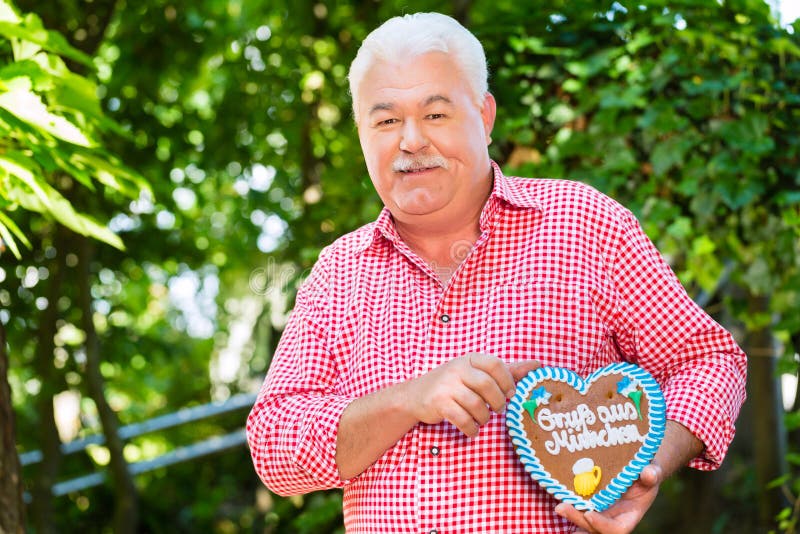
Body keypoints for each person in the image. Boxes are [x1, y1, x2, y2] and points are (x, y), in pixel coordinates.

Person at [247, 12, 747, 534]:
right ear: (362, 134)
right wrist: (408, 400)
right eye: (387, 120)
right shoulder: (338, 271)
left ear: (484, 116)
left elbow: (708, 361)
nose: (411, 141)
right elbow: (275, 445)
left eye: (436, 114)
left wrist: (648, 465)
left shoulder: (587, 226)